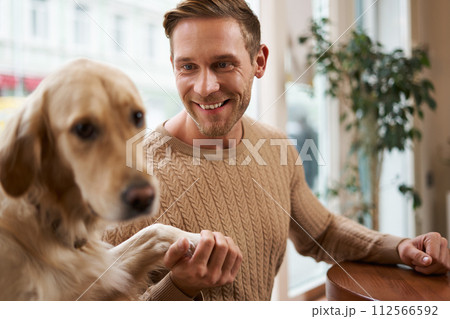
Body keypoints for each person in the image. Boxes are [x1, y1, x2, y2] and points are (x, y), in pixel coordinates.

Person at [104, 0, 450, 301]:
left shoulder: (275, 146)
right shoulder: (128, 176)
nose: (205, 87)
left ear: (259, 61)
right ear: (174, 66)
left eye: (223, 63)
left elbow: (324, 232)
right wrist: (179, 287)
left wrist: (400, 247)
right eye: (188, 66)